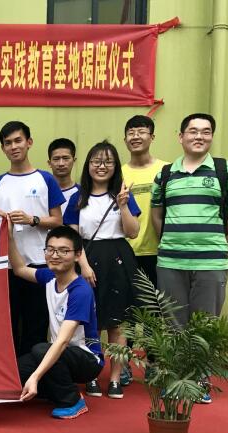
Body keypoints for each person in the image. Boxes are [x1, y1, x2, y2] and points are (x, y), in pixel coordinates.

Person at [150, 113, 228, 327]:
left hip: (211, 263)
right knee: (174, 327)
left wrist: (220, 243)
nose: (199, 136)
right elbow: (156, 214)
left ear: (211, 136)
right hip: (170, 262)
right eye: (193, 131)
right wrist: (168, 241)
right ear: (181, 137)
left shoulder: (226, 171)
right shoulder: (164, 175)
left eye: (206, 132)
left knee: (205, 328)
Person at [63, 141, 141, 399]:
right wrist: (83, 265)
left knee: (117, 324)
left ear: (115, 166)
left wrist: (124, 205)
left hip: (118, 260)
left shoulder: (122, 194)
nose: (101, 166)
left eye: (108, 162)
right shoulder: (78, 197)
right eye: (96, 161)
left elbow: (132, 232)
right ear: (88, 165)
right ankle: (92, 375)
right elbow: (73, 238)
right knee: (91, 324)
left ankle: (116, 378)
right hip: (87, 259)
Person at [0, 121, 64, 356]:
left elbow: (58, 221)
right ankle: (11, 371)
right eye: (8, 143)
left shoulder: (45, 179)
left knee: (36, 326)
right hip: (6, 267)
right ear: (2, 148)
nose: (13, 147)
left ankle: (33, 372)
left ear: (29, 142)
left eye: (18, 141)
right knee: (8, 325)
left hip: (39, 265)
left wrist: (32, 220)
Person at [9, 225, 104, 420]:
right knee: (13, 375)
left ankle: (72, 400)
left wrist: (36, 376)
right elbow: (19, 269)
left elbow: (62, 341)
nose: (55, 255)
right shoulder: (50, 277)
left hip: (86, 359)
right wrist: (9, 236)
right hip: (60, 353)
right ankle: (53, 389)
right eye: (50, 250)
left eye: (63, 251)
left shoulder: (80, 291)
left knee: (40, 349)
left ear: (78, 255)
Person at [121, 115, 167, 288]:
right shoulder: (118, 174)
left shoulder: (166, 170)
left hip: (160, 251)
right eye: (131, 133)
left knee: (159, 301)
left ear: (152, 137)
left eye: (141, 132)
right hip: (126, 251)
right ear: (125, 140)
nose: (135, 137)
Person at [47, 138, 79, 216]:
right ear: (49, 163)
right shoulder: (42, 191)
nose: (61, 163)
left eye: (66, 158)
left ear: (74, 161)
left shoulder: (83, 194)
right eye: (56, 159)